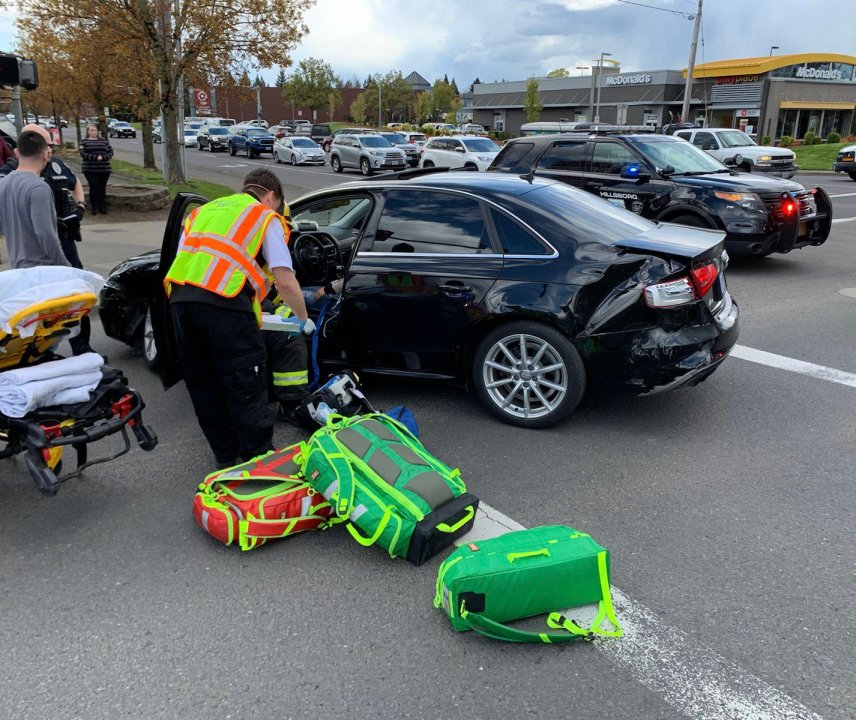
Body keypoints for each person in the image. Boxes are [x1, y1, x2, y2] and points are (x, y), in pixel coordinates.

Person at [164, 168, 315, 469]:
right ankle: (259, 460)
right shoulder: (262, 216)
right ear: (271, 196)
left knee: (205, 384)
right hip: (226, 305)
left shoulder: (202, 212)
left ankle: (225, 455)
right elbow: (284, 280)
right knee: (246, 381)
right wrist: (303, 318)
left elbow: (183, 259)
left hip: (181, 304)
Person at [0, 129, 69, 269]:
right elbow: (45, 233)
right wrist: (64, 265)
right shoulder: (38, 188)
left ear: (17, 153)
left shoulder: (3, 183)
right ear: (46, 154)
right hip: (43, 269)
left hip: (18, 266)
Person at [79, 124, 112, 214]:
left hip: (104, 168)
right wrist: (94, 157)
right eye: (92, 130)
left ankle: (102, 206)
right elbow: (82, 153)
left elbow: (110, 152)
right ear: (88, 131)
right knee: (94, 187)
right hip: (90, 169)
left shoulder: (104, 141)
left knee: (102, 188)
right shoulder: (84, 142)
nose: (94, 132)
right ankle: (94, 207)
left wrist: (104, 157)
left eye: (95, 130)